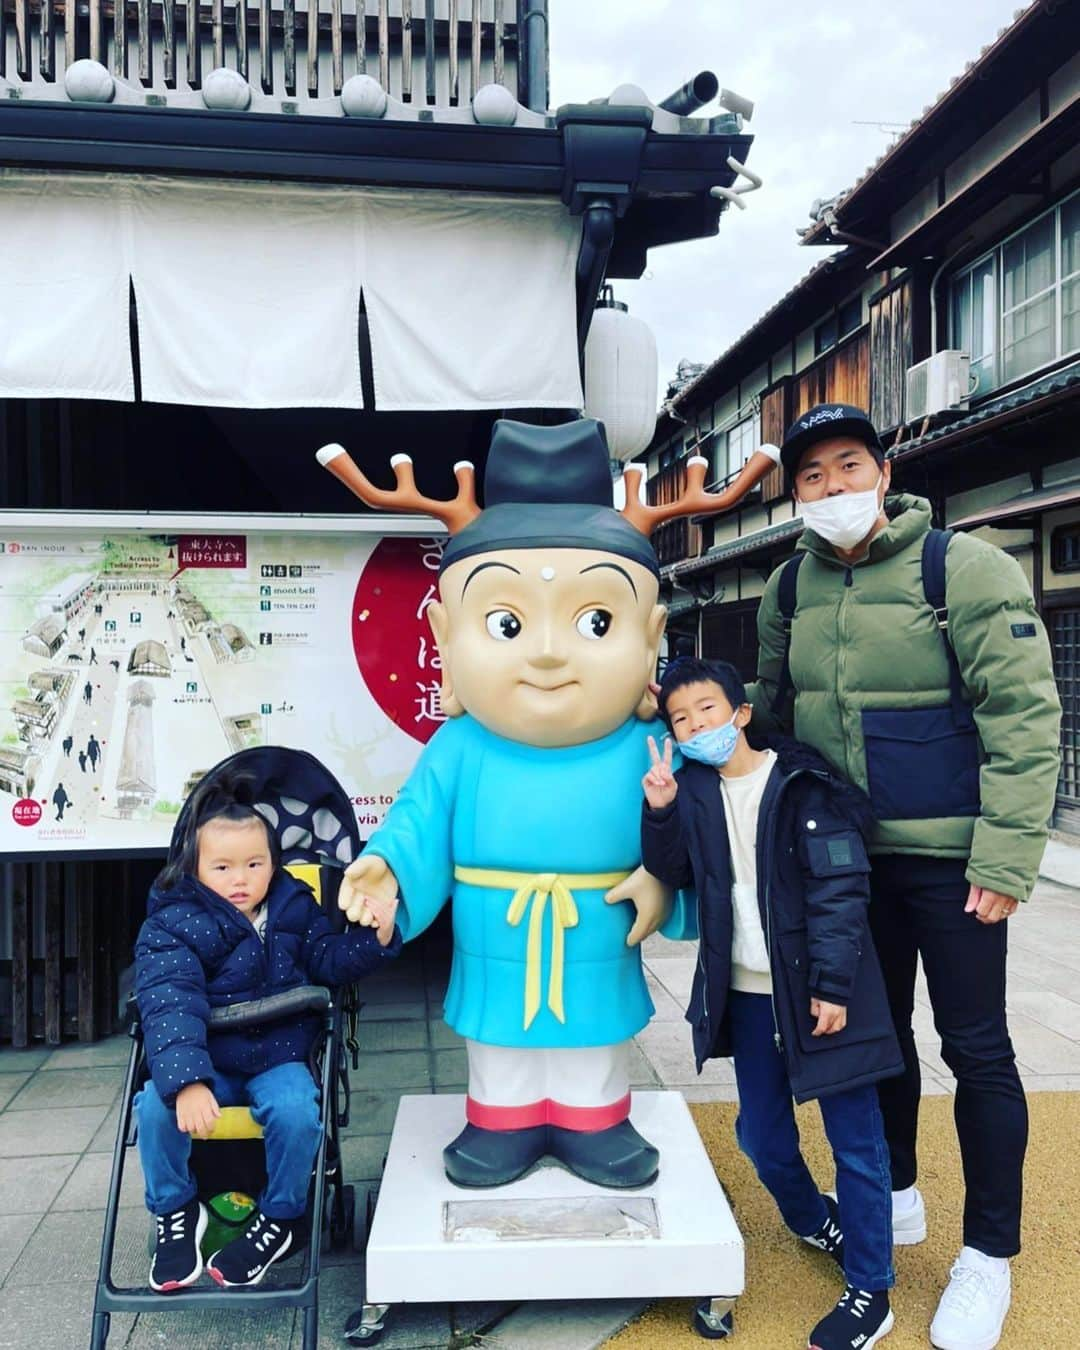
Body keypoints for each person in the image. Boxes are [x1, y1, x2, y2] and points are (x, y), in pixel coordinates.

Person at [751, 404, 1061, 1350]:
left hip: (955, 864)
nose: (832, 489)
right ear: (797, 496)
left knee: (976, 1048)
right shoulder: (787, 586)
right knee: (875, 1046)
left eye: (849, 467)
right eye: (811, 477)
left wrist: (1007, 858)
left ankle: (988, 1257)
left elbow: (1024, 717)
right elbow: (771, 714)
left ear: (884, 474)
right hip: (844, 868)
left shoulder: (964, 569)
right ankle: (892, 1194)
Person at [642, 656, 901, 1350]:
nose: (697, 726)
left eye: (708, 710)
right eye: (681, 718)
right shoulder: (693, 790)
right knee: (761, 1136)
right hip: (749, 997)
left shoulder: (803, 785)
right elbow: (673, 874)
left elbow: (840, 892)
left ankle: (872, 1290)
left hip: (822, 990)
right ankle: (816, 1219)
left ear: (741, 713)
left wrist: (833, 986)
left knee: (858, 1144)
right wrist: (661, 810)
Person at [133, 774, 401, 1294]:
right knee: (153, 1107)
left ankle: (279, 1216)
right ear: (194, 868)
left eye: (255, 864)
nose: (241, 879)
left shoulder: (294, 905)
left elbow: (327, 959)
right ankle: (176, 1211)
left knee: (300, 1109)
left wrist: (377, 937)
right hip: (206, 1061)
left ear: (274, 863)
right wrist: (187, 1082)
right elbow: (170, 1003)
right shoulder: (173, 922)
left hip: (278, 1055)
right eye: (223, 867)